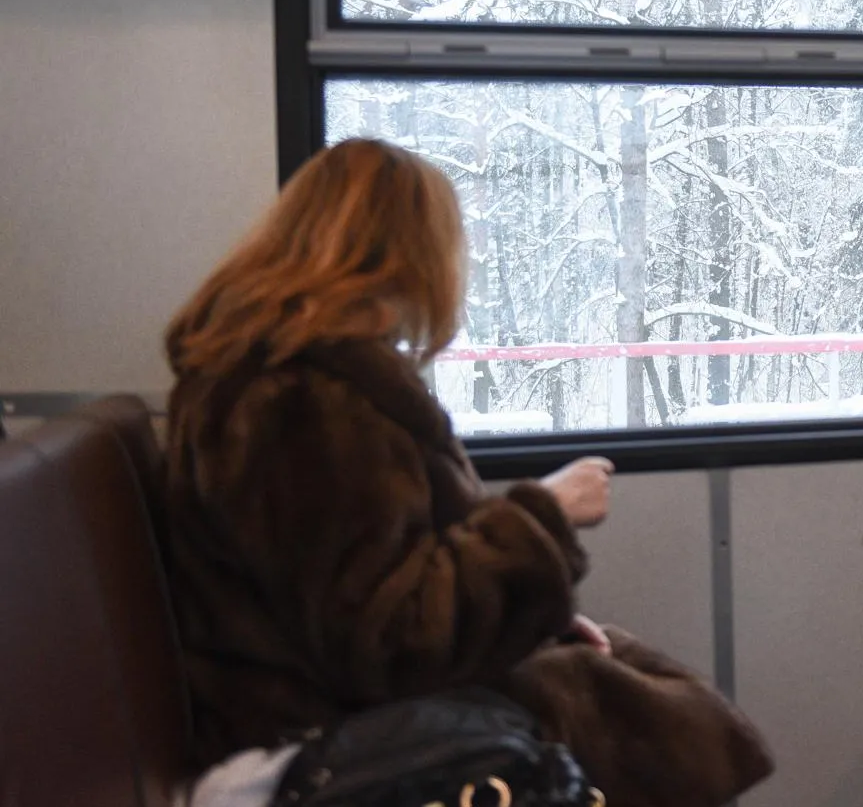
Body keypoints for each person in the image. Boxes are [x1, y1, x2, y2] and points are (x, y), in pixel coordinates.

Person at [160, 138, 772, 807]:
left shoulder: (280, 379)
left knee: (628, 681)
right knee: (653, 724)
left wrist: (542, 618)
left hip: (316, 699)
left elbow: (380, 580)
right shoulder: (303, 405)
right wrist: (544, 517)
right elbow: (385, 642)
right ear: (408, 254)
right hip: (305, 732)